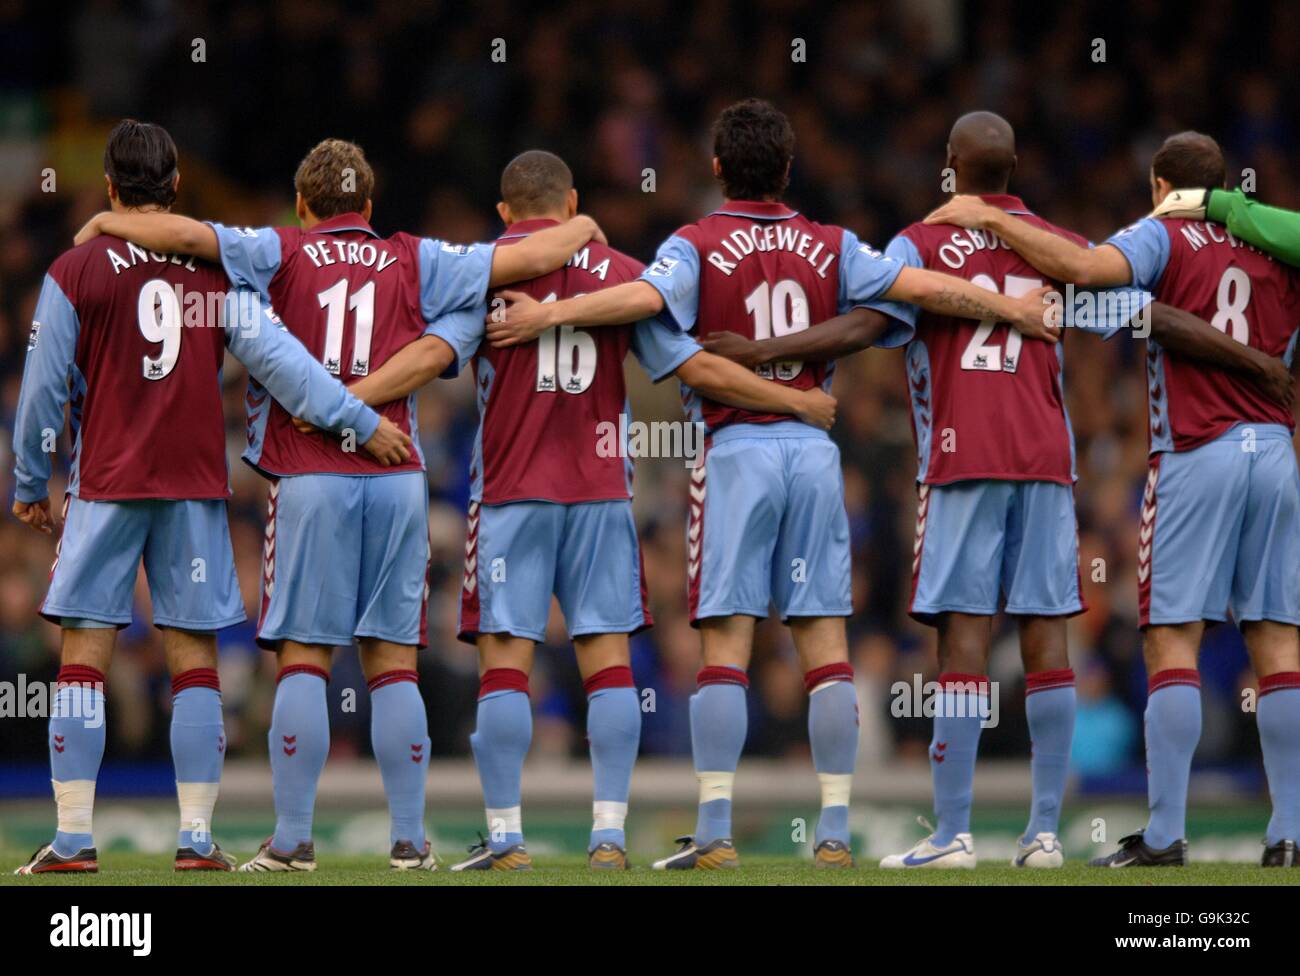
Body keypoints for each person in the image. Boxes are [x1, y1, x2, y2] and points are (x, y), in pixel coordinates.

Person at [702, 113, 1294, 870]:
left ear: (952, 166)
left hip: (960, 459)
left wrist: (764, 354)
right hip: (1048, 459)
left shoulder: (919, 243)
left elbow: (860, 327)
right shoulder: (1061, 248)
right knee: (1049, 631)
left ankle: (952, 834)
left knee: (965, 637)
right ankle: (1044, 834)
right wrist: (1257, 363)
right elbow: (1150, 314)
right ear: (1013, 170)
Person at [487, 98, 1059, 870]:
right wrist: (1007, 307)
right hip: (814, 452)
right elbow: (921, 289)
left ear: (718, 168)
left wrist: (551, 316)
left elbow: (641, 302)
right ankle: (831, 831)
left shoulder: (694, 243)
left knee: (727, 641)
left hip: (735, 450)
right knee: (824, 642)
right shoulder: (831, 244)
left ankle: (716, 828)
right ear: (789, 169)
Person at [75, 138, 603, 872]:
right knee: (393, 664)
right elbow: (518, 260)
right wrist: (580, 227)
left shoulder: (278, 250)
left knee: (304, 660)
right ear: (370, 207)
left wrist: (109, 223)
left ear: (302, 203)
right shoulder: (415, 257)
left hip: (311, 470)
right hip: (397, 473)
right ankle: (412, 841)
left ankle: (293, 839)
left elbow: (187, 233)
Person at [336, 149, 836, 871]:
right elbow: (692, 366)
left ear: (506, 212)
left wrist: (345, 403)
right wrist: (794, 399)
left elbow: (429, 356)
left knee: (506, 664)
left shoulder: (486, 273)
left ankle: (507, 838)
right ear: (570, 205)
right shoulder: (626, 275)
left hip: (510, 493)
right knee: (608, 665)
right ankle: (608, 836)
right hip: (601, 493)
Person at [12, 120, 410, 875]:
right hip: (194, 487)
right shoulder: (215, 276)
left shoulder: (77, 270)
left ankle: (72, 839)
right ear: (178, 187)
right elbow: (283, 365)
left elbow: (42, 391)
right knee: (193, 659)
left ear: (108, 187)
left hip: (107, 484)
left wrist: (32, 481)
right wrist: (360, 421)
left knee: (84, 655)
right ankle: (196, 838)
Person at [927, 131, 1300, 868]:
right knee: (1279, 643)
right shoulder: (1281, 246)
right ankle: (1288, 832)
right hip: (1277, 453)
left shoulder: (1162, 234)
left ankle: (1165, 835)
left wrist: (990, 217)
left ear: (1162, 184)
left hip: (1197, 451)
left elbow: (1089, 268)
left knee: (1172, 640)